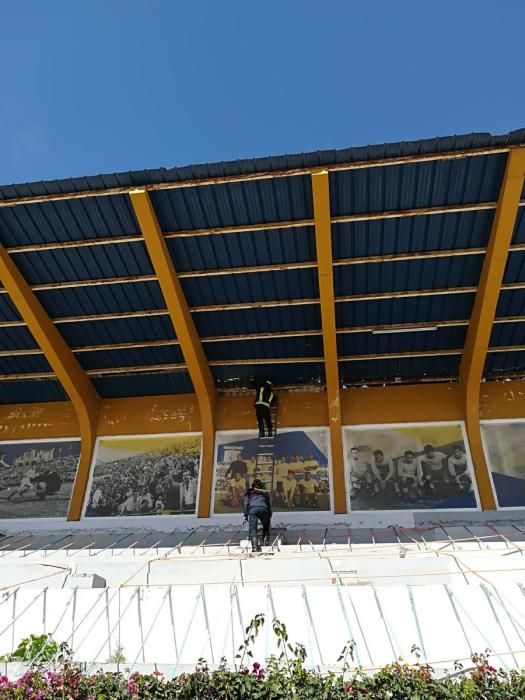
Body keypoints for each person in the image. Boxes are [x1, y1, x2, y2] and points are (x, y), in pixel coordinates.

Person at [244, 478, 272, 552]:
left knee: (253, 529)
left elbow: (246, 503)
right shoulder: (264, 492)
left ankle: (254, 547)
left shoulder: (249, 491)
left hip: (252, 509)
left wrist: (246, 515)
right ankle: (265, 541)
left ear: (253, 485)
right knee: (266, 525)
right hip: (263, 509)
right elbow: (268, 504)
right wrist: (269, 514)